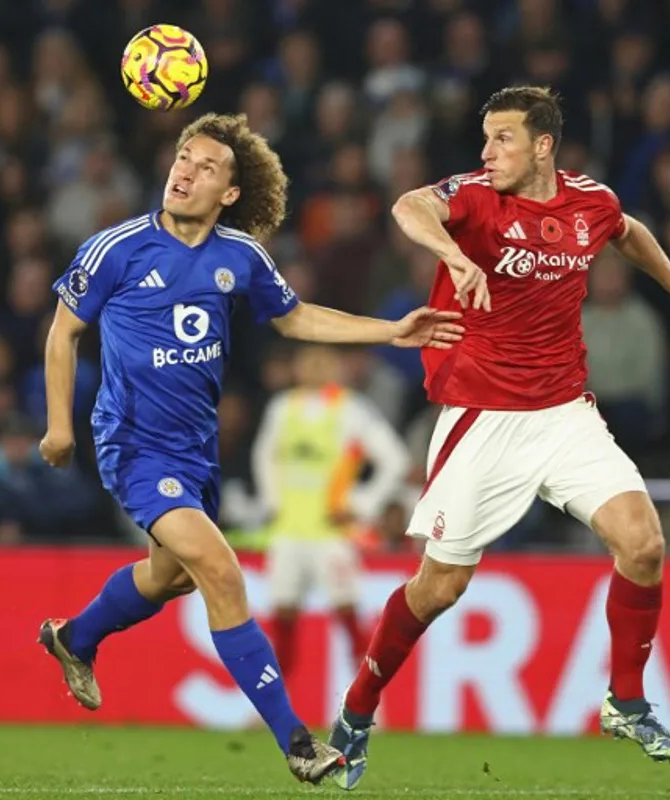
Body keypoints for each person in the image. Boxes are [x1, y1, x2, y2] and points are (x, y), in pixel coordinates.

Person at [328, 86, 670, 788]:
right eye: (485, 139)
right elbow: (409, 206)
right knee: (440, 588)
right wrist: (455, 260)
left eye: (502, 140)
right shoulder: (476, 196)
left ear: (543, 145)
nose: (487, 154)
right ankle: (356, 714)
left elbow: (628, 232)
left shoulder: (590, 202)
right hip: (481, 416)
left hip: (563, 413)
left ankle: (627, 701)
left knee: (643, 543)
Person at [35, 113, 462, 784]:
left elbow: (296, 318)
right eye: (183, 158)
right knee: (221, 570)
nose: (185, 171)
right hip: (132, 443)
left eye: (206, 167)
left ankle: (75, 637)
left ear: (229, 193)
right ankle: (297, 741)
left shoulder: (240, 257)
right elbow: (63, 334)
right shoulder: (115, 248)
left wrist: (390, 331)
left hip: (197, 452)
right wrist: (60, 425)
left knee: (170, 574)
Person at [252, 344, 409, 674]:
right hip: (288, 532)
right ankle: (276, 708)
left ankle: (365, 703)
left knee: (348, 617)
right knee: (282, 621)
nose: (315, 367)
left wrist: (361, 505)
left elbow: (395, 460)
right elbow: (264, 456)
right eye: (308, 360)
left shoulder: (352, 410)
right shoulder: (282, 408)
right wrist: (272, 503)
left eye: (323, 361)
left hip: (333, 533)